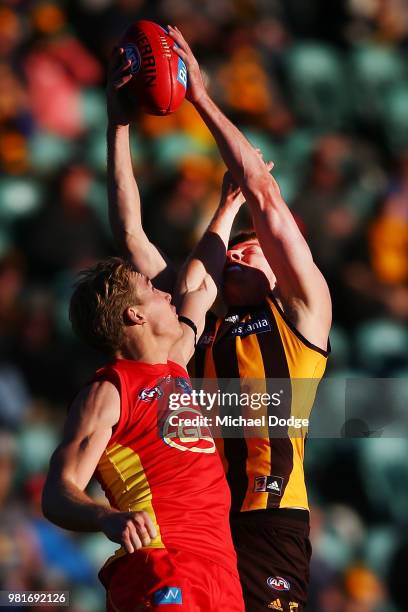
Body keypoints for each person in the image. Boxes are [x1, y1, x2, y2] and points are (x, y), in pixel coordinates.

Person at [106, 26, 332, 611]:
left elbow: (264, 189)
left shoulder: (304, 316)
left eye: (252, 249)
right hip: (201, 526)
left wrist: (201, 96)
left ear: (282, 269)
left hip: (270, 519)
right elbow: (132, 235)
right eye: (233, 247)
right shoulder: (193, 323)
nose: (236, 250)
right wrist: (119, 123)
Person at [42, 256, 245, 612]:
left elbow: (201, 285)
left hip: (222, 574)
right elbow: (57, 493)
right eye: (151, 289)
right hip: (163, 564)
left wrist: (229, 207)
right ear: (135, 315)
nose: (167, 294)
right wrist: (106, 517)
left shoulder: (175, 367)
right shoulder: (109, 390)